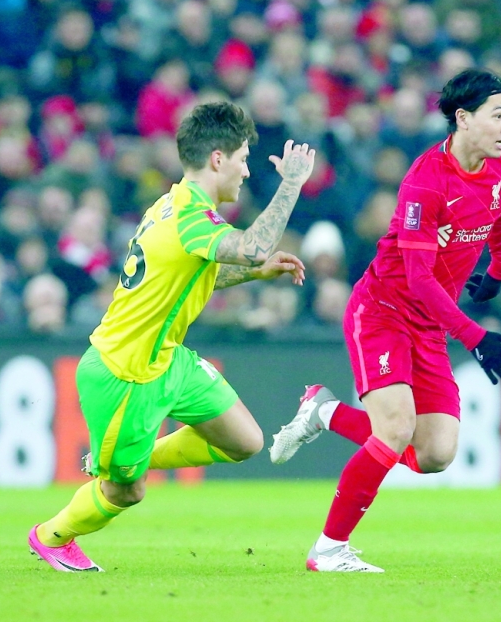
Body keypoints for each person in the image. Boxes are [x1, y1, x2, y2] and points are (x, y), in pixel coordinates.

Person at [28, 102, 316, 572]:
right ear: (218, 159)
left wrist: (254, 273)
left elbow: (195, 270)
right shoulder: (190, 218)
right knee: (127, 490)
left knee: (244, 441)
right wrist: (291, 184)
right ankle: (51, 537)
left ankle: (132, 458)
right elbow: (253, 244)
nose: (246, 171)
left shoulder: (173, 204)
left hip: (167, 360)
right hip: (125, 374)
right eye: (243, 159)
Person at [269, 69, 501, 573]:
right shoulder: (424, 182)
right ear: (463, 118)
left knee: (435, 454)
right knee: (395, 429)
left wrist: (499, 269)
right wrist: (474, 337)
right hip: (382, 312)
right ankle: (328, 549)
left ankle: (324, 412)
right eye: (498, 116)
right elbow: (420, 278)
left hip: (429, 327)